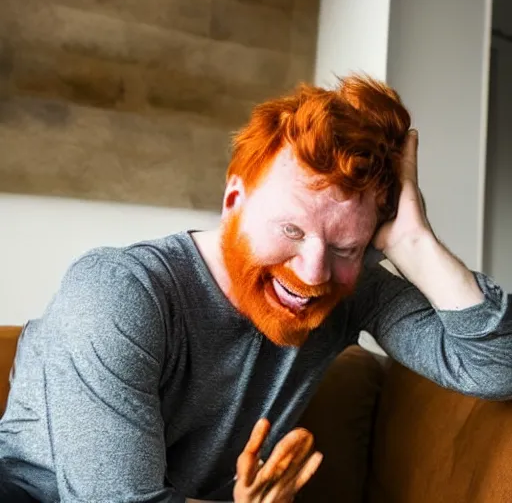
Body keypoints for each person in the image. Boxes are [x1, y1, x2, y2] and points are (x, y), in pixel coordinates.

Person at [0, 76, 510, 503]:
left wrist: (416, 243)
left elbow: (498, 368)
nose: (312, 275)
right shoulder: (117, 295)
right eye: (291, 231)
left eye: (347, 247)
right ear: (234, 199)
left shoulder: (348, 289)